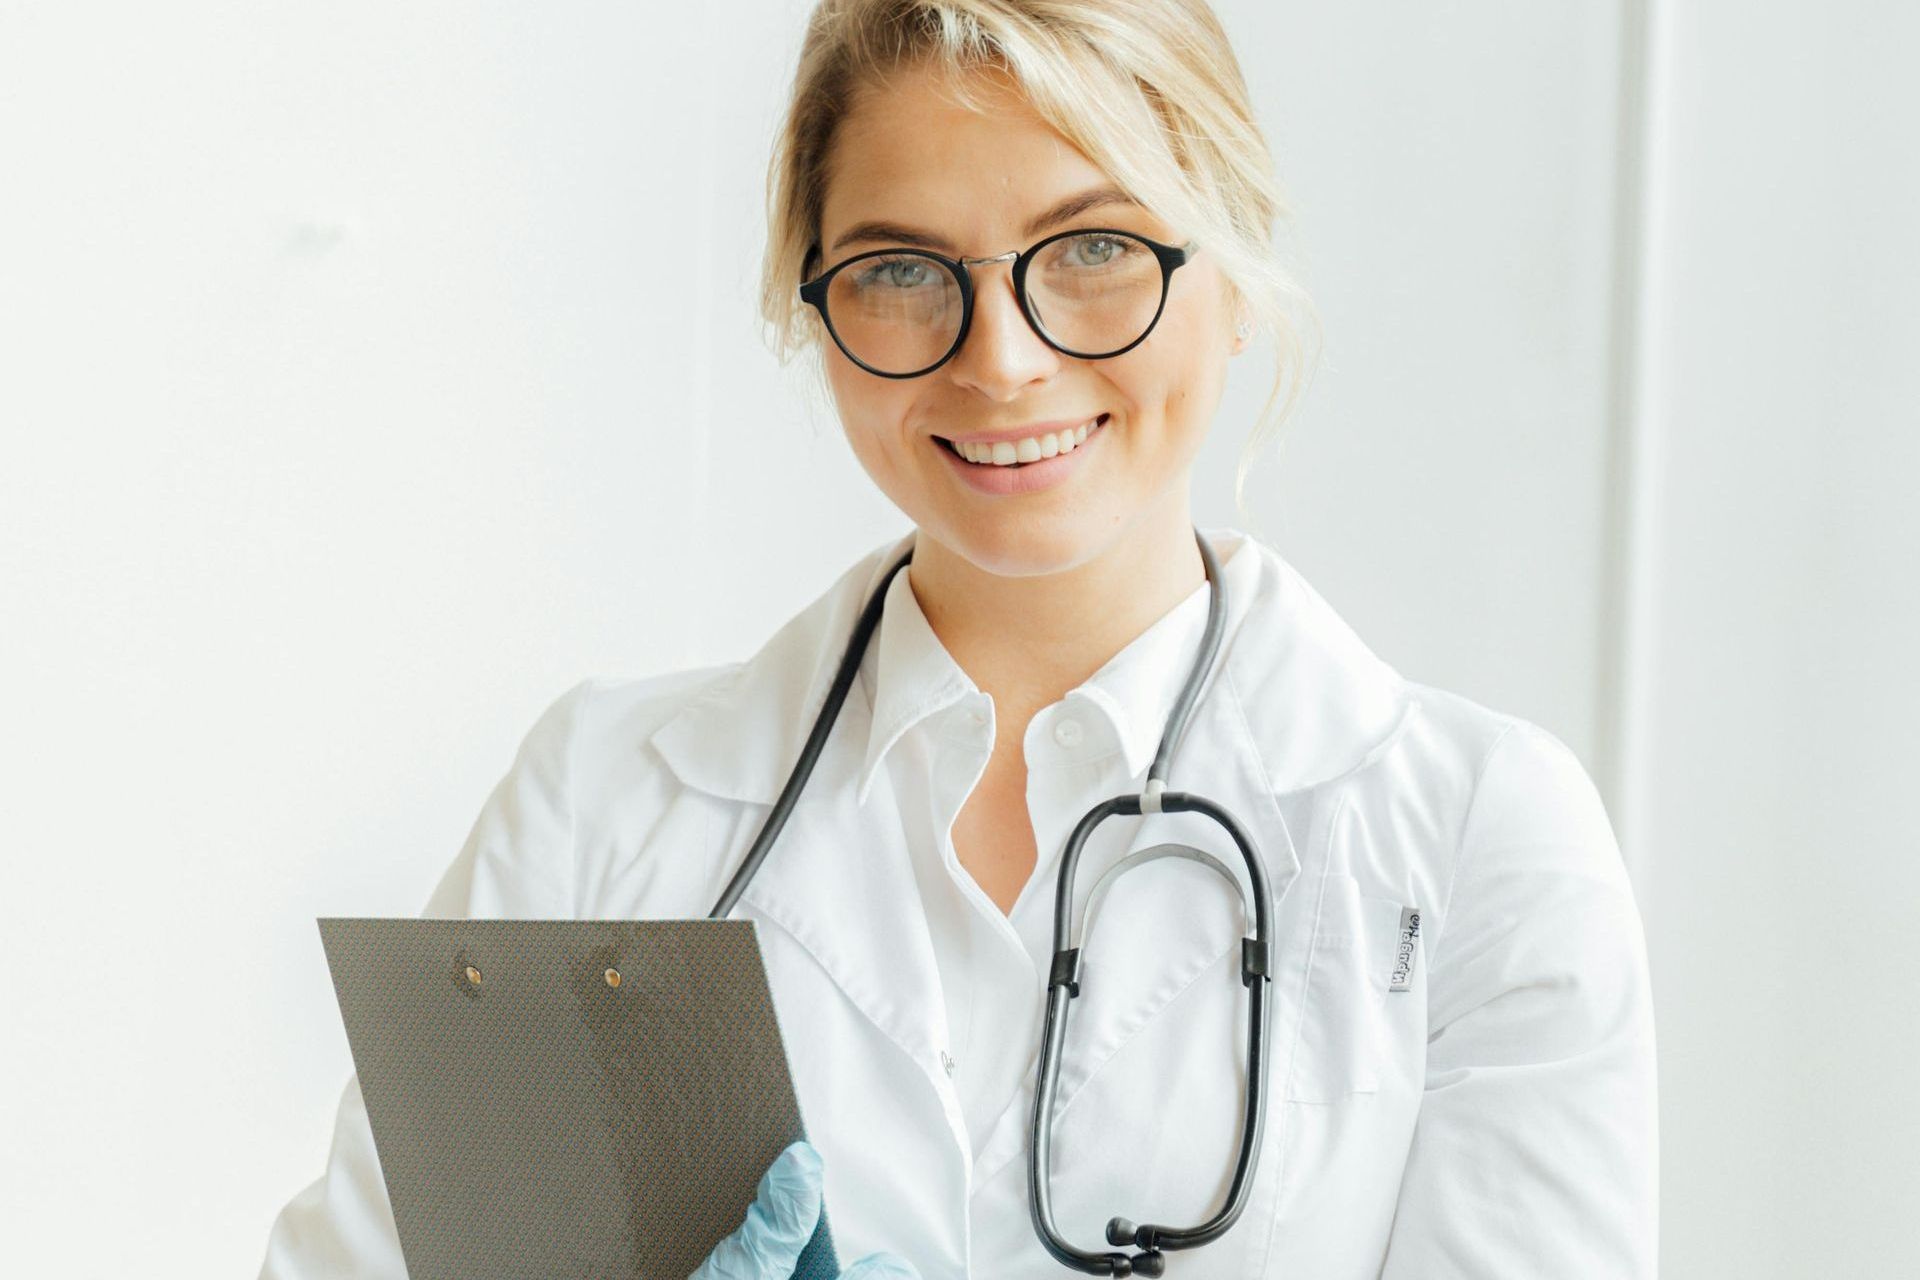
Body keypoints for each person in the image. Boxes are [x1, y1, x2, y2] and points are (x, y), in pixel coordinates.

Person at [258, 1, 1658, 1276]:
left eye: (1097, 247)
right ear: (811, 307)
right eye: (900, 270)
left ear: (1229, 270)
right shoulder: (604, 808)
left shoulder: (1475, 838)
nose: (999, 357)